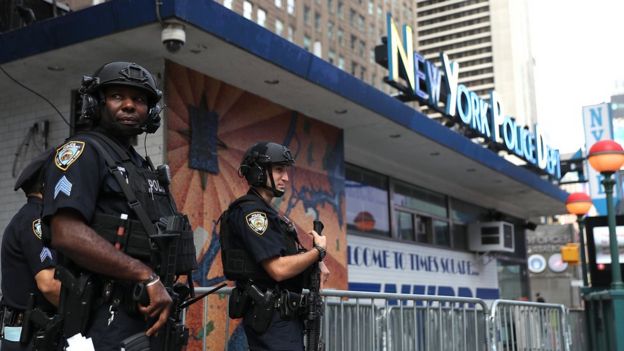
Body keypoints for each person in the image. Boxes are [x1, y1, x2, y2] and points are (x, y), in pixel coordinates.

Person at [41, 62, 196, 350]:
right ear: (95, 104)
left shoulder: (139, 165)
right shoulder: (83, 152)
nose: (128, 105)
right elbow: (66, 233)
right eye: (117, 97)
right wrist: (145, 276)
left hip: (146, 316)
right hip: (102, 320)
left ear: (150, 113)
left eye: (138, 99)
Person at [220, 141, 330, 351]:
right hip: (272, 317)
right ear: (259, 172)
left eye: (286, 170)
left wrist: (314, 264)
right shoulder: (253, 214)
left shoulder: (269, 214)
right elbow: (278, 269)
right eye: (279, 170)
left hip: (281, 317)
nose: (286, 177)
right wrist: (318, 252)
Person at [1, 149, 61, 350]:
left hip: (28, 332)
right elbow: (49, 284)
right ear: (48, 184)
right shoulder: (35, 220)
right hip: (29, 336)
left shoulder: (30, 216)